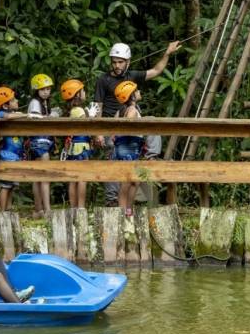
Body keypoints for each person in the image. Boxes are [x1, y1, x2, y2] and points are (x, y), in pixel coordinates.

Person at [95, 40, 180, 206]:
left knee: (150, 124)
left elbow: (156, 71)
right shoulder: (103, 80)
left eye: (120, 62)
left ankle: (151, 157)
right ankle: (113, 201)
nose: (117, 65)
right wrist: (98, 132)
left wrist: (167, 53)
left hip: (130, 125)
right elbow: (98, 107)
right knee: (114, 157)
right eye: (114, 62)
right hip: (111, 125)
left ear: (127, 62)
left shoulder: (131, 76)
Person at [60, 78, 99, 209]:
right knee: (82, 178)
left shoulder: (72, 110)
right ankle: (81, 207)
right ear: (77, 94)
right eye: (83, 90)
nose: (85, 92)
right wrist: (92, 117)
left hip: (72, 148)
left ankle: (73, 207)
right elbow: (87, 127)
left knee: (73, 178)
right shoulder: (79, 111)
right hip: (81, 146)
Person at [0, 86, 27, 211]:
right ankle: (2, 211)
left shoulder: (13, 114)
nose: (17, 101)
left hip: (16, 156)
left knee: (12, 185)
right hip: (7, 155)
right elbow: (7, 117)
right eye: (13, 100)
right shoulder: (1, 113)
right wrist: (23, 115)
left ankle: (8, 208)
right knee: (5, 185)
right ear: (5, 105)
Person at [26, 73, 57, 217]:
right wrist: (51, 117)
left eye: (48, 89)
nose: (46, 91)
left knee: (39, 176)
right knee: (44, 176)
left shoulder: (43, 103)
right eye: (43, 89)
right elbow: (34, 120)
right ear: (36, 90)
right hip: (39, 142)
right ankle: (46, 210)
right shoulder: (35, 103)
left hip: (42, 141)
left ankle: (39, 210)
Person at [112, 80, 144, 215]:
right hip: (128, 146)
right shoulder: (131, 110)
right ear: (131, 95)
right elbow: (127, 125)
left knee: (134, 181)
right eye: (136, 91)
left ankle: (128, 209)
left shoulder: (124, 110)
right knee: (127, 181)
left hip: (131, 146)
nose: (139, 92)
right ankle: (123, 209)